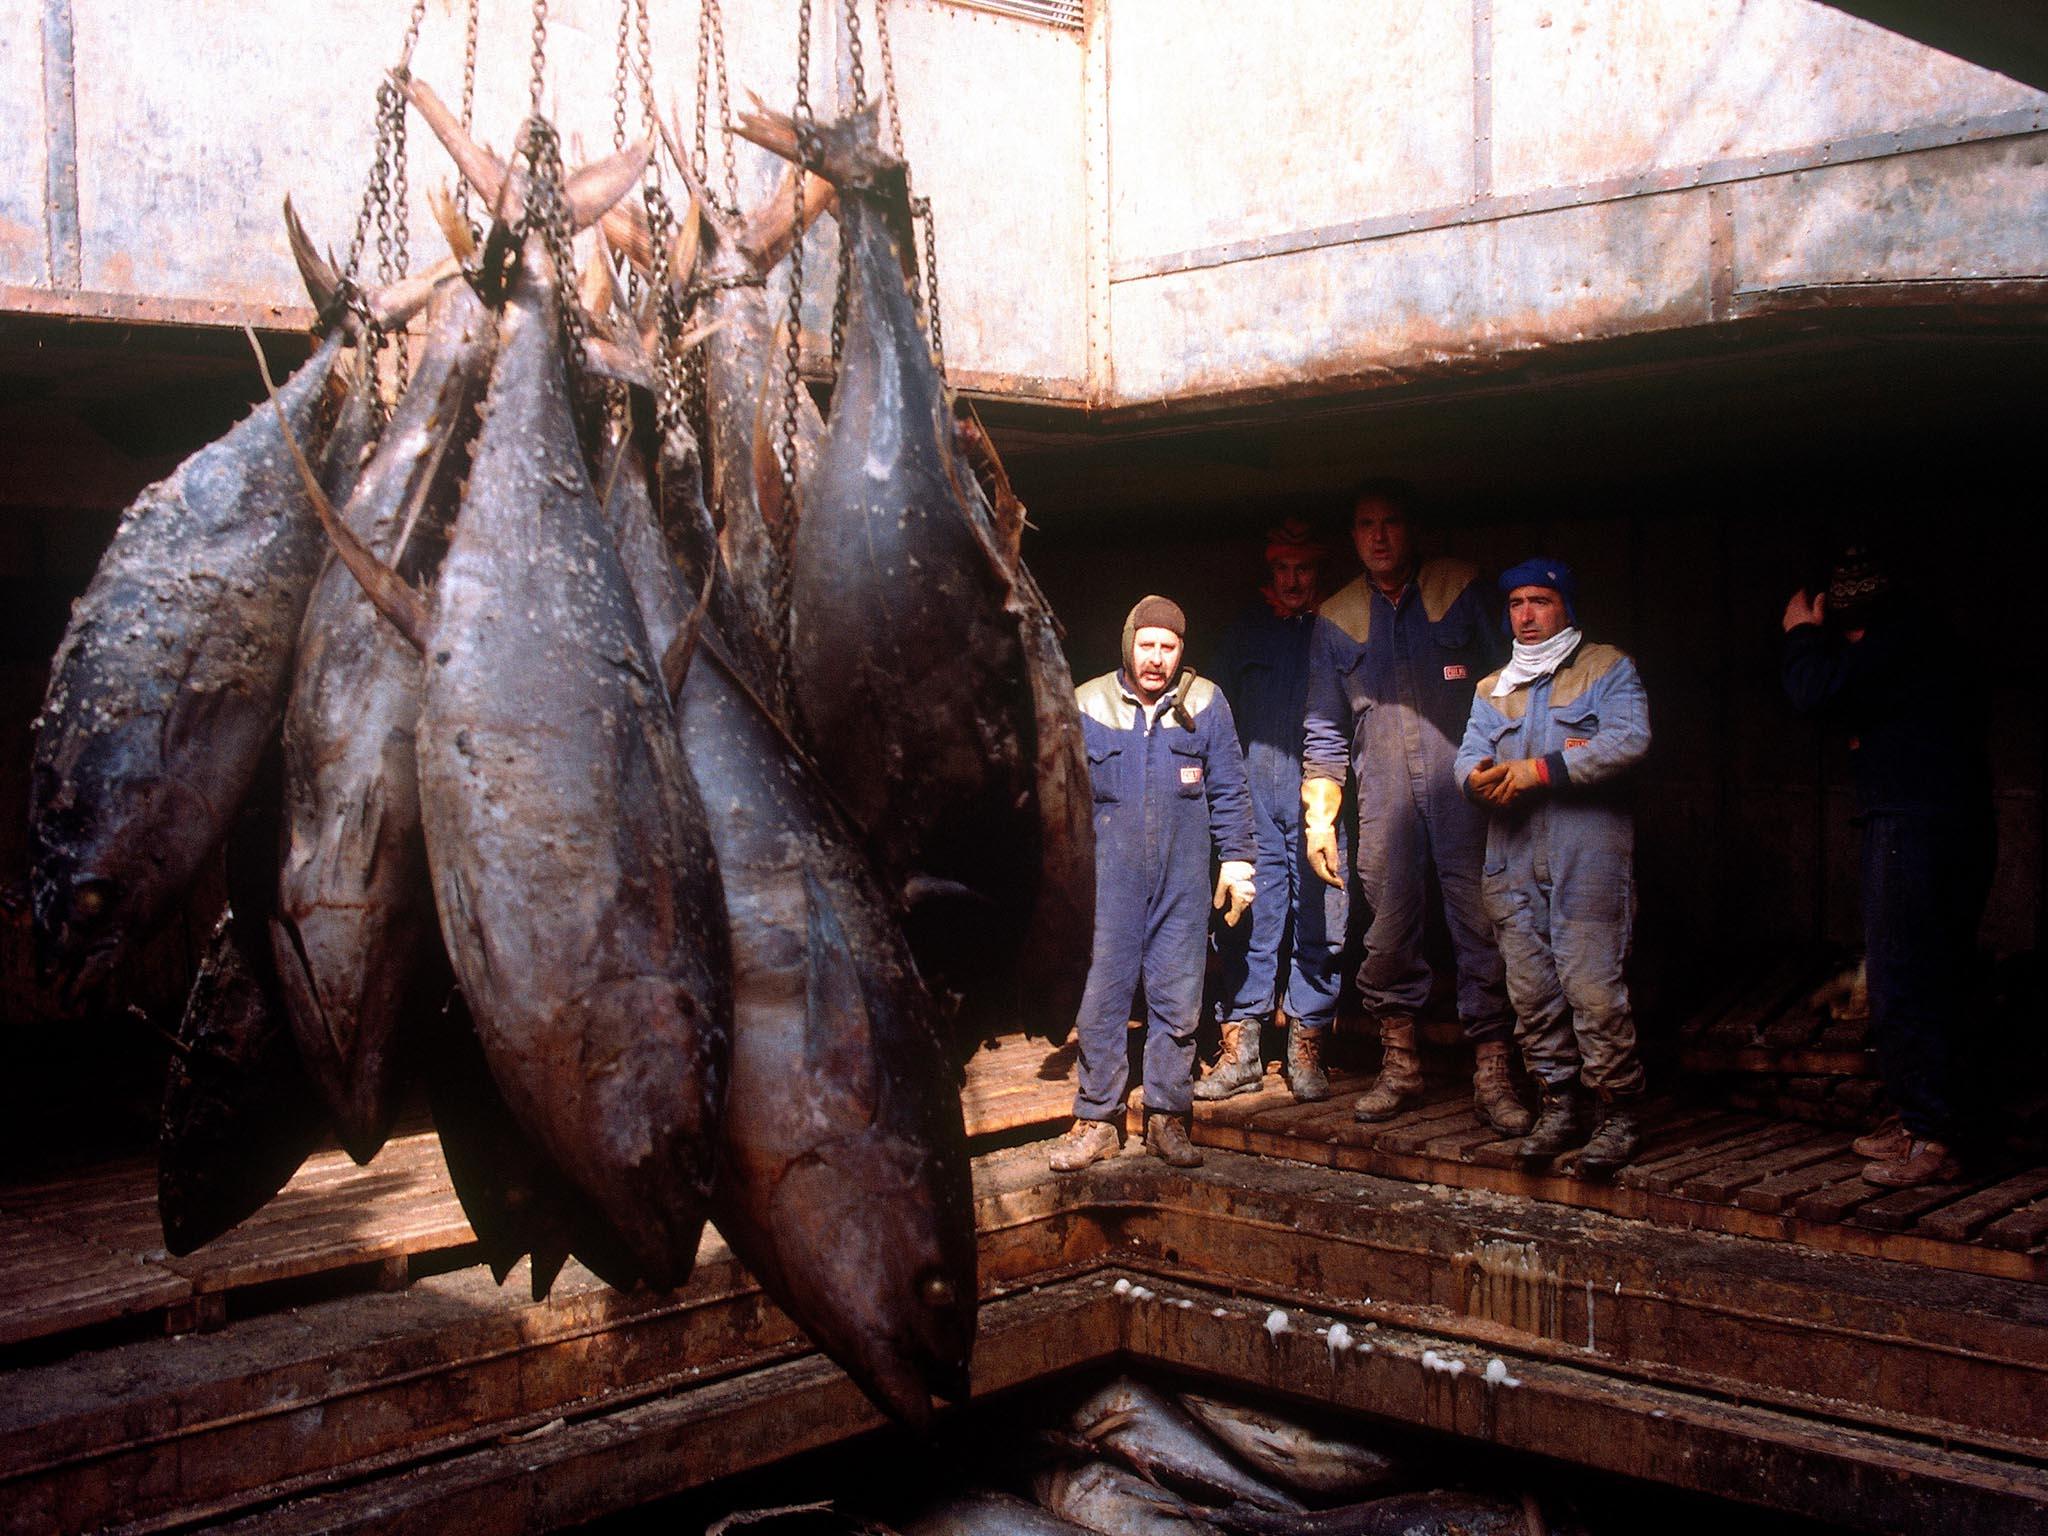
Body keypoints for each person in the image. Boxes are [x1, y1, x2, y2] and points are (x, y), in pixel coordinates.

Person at [1299, 481, 1526, 1133]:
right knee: (1388, 928)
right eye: (1365, 524)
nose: (1379, 536)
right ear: (1352, 536)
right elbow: (1322, 722)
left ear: (1412, 529)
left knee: (1481, 925)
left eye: (1391, 522)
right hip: (1384, 796)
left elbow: (1509, 683)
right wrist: (1321, 812)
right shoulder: (1337, 615)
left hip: (1467, 793)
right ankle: (1399, 1067)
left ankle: (1493, 1072)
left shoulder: (1461, 587)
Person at [1782, 546, 1993, 1187]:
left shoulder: (1898, 644)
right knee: (1927, 971)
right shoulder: (1913, 643)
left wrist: (1800, 637)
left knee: (1905, 976)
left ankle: (1934, 1138)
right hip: (1934, 818)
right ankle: (1921, 1120)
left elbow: (1812, 692)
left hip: (1913, 823)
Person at [1455, 558, 1651, 1174]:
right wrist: (1476, 781)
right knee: (1533, 994)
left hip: (1587, 855)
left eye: (1540, 601)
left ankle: (1616, 1115)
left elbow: (1628, 740)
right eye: (1516, 604)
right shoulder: (1494, 687)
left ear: (1565, 606)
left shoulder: (1607, 668)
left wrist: (1537, 771)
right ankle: (1559, 1107)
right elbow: (1466, 756)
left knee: (1594, 991)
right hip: (1510, 861)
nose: (1527, 615)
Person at [1051, 596, 1257, 1172]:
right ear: (1128, 645)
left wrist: (1238, 861)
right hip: (1106, 886)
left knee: (1178, 999)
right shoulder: (1087, 703)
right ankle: (1098, 1120)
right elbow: (1061, 802)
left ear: (1180, 652)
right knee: (1101, 999)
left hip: (1183, 885)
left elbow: (1231, 790)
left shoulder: (1206, 703)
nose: (1156, 659)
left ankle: (1168, 1119)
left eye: (1168, 648)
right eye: (1147, 645)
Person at [1196, 517, 1339, 1102]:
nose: (1292, 579)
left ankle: (1306, 1049)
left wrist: (1330, 804)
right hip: (1254, 801)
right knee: (1246, 922)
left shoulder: (1336, 631)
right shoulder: (1244, 634)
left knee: (1320, 921)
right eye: (1281, 568)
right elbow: (1211, 715)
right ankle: (1243, 1051)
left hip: (1318, 802)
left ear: (1320, 571)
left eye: (1303, 568)